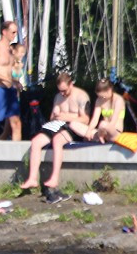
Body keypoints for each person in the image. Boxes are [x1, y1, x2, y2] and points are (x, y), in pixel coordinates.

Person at [20, 71, 91, 203]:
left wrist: (67, 116)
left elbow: (86, 119)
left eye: (65, 90)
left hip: (73, 127)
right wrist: (56, 115)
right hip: (56, 125)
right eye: (60, 91)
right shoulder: (58, 97)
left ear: (71, 84)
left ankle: (54, 178)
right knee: (36, 141)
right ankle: (32, 178)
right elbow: (53, 117)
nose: (63, 93)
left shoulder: (81, 96)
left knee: (57, 141)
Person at [85, 78, 126, 143]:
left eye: (103, 96)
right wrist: (89, 131)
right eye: (100, 96)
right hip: (102, 131)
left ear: (109, 90)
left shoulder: (118, 100)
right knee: (74, 125)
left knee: (103, 124)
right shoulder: (99, 100)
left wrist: (103, 130)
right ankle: (98, 137)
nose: (102, 98)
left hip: (115, 131)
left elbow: (113, 121)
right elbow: (95, 119)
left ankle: (100, 137)